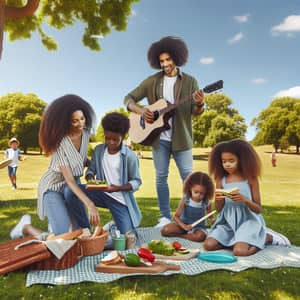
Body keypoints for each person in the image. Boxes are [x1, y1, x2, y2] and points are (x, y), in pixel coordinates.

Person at [124, 36, 205, 228]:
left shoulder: (190, 81)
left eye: (168, 59)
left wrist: (200, 103)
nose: (165, 64)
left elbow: (195, 112)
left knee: (189, 178)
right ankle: (164, 217)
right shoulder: (152, 81)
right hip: (159, 139)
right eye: (161, 61)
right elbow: (128, 98)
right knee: (161, 177)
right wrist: (141, 110)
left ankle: (193, 216)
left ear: (177, 58)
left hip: (182, 139)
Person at [10, 94, 100, 239]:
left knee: (83, 235)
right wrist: (90, 204)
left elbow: (80, 159)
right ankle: (26, 227)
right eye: (74, 121)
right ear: (65, 122)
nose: (80, 124)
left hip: (72, 189)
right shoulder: (59, 144)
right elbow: (69, 179)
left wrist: (95, 169)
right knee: (63, 238)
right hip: (53, 188)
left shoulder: (85, 134)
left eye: (82, 119)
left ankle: (55, 227)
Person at [204, 139, 291, 257]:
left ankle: (266, 238)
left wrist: (244, 199)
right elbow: (219, 210)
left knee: (239, 252)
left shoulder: (250, 179)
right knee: (209, 245)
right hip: (228, 222)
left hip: (248, 221)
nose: (227, 164)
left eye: (231, 161)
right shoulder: (221, 180)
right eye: (224, 161)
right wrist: (218, 199)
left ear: (241, 160)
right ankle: (238, 239)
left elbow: (259, 209)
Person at [64, 112, 142, 235]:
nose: (110, 142)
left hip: (120, 200)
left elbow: (136, 181)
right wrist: (90, 177)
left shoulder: (130, 156)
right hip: (100, 193)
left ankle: (112, 227)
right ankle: (86, 229)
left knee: (129, 239)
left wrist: (118, 188)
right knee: (70, 191)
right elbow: (92, 169)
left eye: (115, 139)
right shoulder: (99, 150)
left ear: (123, 136)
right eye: (107, 138)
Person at [161, 172, 215, 242]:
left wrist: (213, 221)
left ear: (206, 192)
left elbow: (210, 217)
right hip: (183, 224)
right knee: (165, 230)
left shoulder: (206, 202)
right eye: (196, 192)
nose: (198, 195)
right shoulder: (186, 199)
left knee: (200, 237)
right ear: (190, 188)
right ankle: (188, 235)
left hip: (198, 227)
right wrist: (184, 226)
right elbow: (176, 217)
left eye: (202, 193)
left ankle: (180, 236)